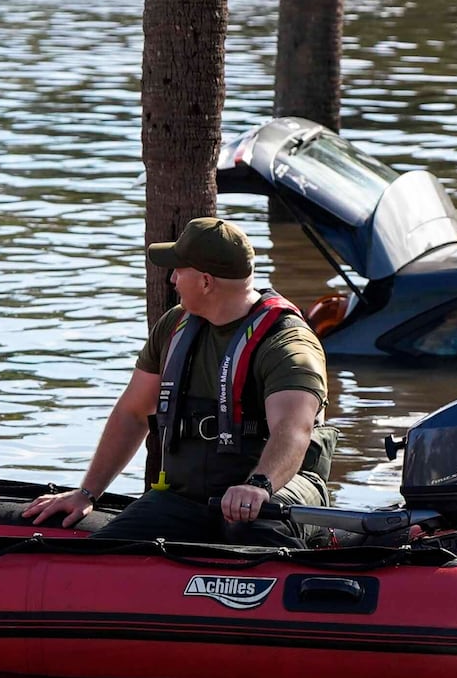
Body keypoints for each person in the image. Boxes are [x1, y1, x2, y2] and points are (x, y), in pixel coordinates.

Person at [23, 217, 336, 548]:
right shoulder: (174, 327)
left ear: (205, 281)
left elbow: (293, 430)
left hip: (278, 491)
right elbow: (132, 413)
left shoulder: (287, 343)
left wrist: (258, 485)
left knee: (249, 528)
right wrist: (88, 492)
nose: (171, 279)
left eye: (178, 270)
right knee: (104, 554)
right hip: (191, 498)